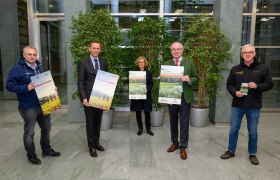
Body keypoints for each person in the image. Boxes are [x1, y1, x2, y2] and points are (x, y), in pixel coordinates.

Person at [6, 46, 61, 165]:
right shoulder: (17, 69)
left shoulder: (39, 67)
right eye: (29, 54)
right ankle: (31, 155)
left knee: (46, 128)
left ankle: (46, 150)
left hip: (44, 104)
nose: (32, 57)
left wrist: (52, 88)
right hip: (28, 106)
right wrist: (26, 87)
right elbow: (9, 86)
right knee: (29, 132)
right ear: (24, 55)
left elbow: (43, 81)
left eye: (34, 55)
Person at [220, 44, 273, 165]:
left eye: (250, 52)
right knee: (234, 129)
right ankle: (231, 151)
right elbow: (229, 85)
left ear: (254, 54)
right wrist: (235, 92)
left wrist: (257, 86)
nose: (247, 54)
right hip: (237, 105)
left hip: (254, 105)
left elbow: (270, 84)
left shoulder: (263, 68)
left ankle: (252, 153)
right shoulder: (235, 69)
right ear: (241, 54)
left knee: (253, 131)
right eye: (245, 52)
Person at [164, 42, 198, 160]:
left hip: (184, 97)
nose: (176, 51)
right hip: (171, 96)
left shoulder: (189, 62)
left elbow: (196, 77)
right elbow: (165, 81)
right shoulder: (166, 64)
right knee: (173, 121)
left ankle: (183, 147)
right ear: (170, 51)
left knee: (184, 122)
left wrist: (189, 79)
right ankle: (175, 143)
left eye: (178, 49)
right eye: (173, 49)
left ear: (182, 50)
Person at [77, 41, 108, 157]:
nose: (95, 50)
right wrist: (83, 97)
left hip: (100, 97)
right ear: (89, 49)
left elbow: (106, 78)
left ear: (100, 50)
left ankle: (96, 142)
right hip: (89, 98)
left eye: (97, 48)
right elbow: (80, 82)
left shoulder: (103, 61)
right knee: (90, 122)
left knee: (98, 121)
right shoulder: (83, 62)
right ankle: (91, 147)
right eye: (93, 48)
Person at [130, 56, 154, 136]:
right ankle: (140, 128)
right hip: (137, 95)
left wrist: (147, 88)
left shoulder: (149, 73)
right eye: (139, 62)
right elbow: (131, 84)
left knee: (147, 112)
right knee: (138, 112)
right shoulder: (134, 73)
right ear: (137, 63)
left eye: (142, 62)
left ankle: (148, 129)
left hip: (146, 95)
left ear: (145, 63)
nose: (141, 63)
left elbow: (151, 84)